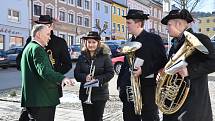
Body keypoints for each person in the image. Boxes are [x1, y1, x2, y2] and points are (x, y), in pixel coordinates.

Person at [160, 9, 215, 121]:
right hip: (174, 104)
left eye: (169, 25)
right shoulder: (174, 44)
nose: (166, 28)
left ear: (179, 24)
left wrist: (189, 70)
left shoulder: (201, 39)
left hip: (193, 105)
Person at [117, 9, 167, 121]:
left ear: (139, 23)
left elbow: (162, 61)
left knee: (149, 117)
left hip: (147, 90)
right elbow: (126, 65)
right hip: (129, 91)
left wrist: (143, 70)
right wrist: (120, 83)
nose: (127, 25)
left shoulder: (154, 39)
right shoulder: (130, 41)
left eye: (129, 23)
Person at [20, 24, 75, 121]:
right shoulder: (37, 49)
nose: (49, 38)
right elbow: (45, 71)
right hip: (42, 100)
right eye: (47, 34)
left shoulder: (29, 47)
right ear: (38, 35)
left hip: (33, 99)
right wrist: (62, 78)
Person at [74, 31, 114, 121]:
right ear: (86, 43)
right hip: (85, 93)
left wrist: (96, 79)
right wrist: (85, 77)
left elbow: (110, 73)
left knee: (98, 118)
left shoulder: (105, 56)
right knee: (87, 119)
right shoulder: (82, 57)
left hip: (100, 94)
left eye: (93, 42)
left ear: (98, 43)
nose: (91, 45)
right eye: (89, 42)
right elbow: (76, 74)